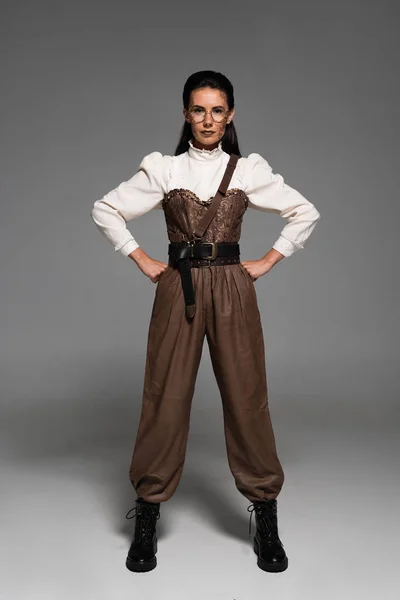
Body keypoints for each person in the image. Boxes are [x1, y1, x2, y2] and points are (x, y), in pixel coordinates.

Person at [91, 70, 321, 574]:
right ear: (185, 114)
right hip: (179, 287)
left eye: (218, 110)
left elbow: (304, 212)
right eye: (199, 109)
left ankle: (264, 512)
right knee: (165, 397)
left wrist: (266, 261)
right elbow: (106, 208)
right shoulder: (164, 169)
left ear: (231, 115)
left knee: (246, 395)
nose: (208, 120)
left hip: (233, 286)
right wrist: (142, 258)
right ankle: (148, 513)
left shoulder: (247, 169)